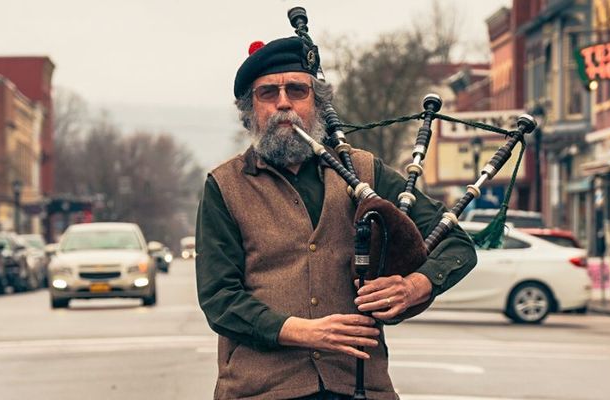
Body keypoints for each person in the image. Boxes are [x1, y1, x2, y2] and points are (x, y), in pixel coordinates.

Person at [196, 36, 477, 400]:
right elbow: (219, 298)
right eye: (268, 94)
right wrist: (302, 331)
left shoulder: (364, 172)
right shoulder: (225, 186)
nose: (284, 103)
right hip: (262, 389)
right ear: (251, 110)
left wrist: (413, 287)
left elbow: (456, 242)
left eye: (297, 90)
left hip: (360, 385)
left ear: (318, 103)